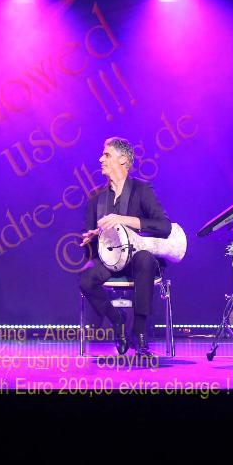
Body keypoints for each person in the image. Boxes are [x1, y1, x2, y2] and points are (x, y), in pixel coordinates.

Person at [80, 137, 171, 357]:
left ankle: (139, 332)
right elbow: (89, 244)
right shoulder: (96, 197)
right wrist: (91, 238)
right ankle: (117, 321)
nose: (101, 159)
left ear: (123, 160)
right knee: (86, 280)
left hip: (136, 260)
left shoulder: (141, 189)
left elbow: (164, 226)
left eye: (106, 155)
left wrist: (123, 219)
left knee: (145, 259)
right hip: (109, 260)